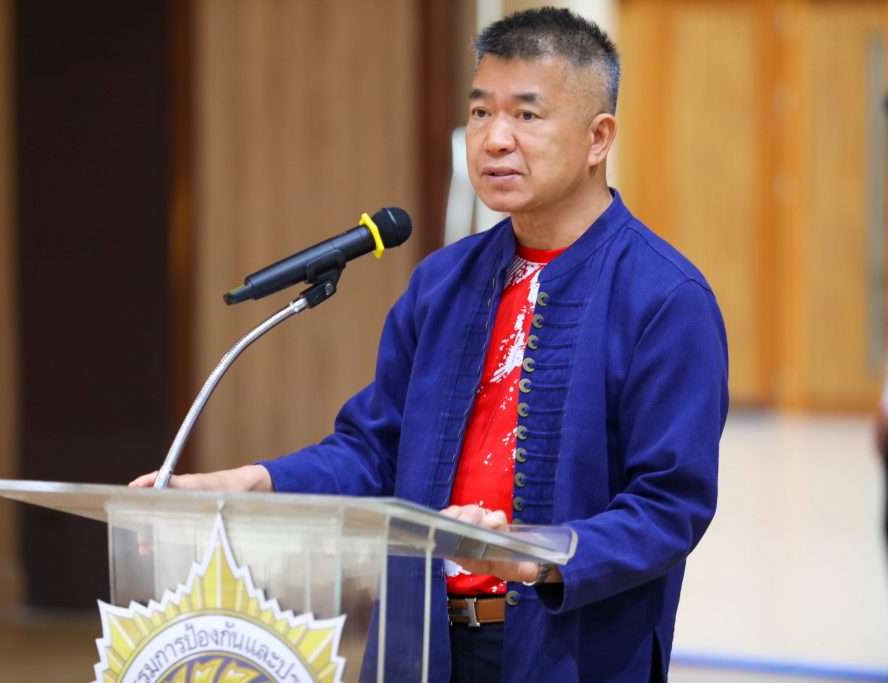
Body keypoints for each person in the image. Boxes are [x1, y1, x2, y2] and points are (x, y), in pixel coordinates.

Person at [132, 7, 728, 682]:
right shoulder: (443, 283)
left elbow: (669, 506)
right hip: (424, 647)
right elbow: (373, 449)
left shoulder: (665, 297)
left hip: (566, 650)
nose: (495, 139)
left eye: (526, 115)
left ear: (598, 138)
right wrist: (248, 483)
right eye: (480, 112)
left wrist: (535, 554)